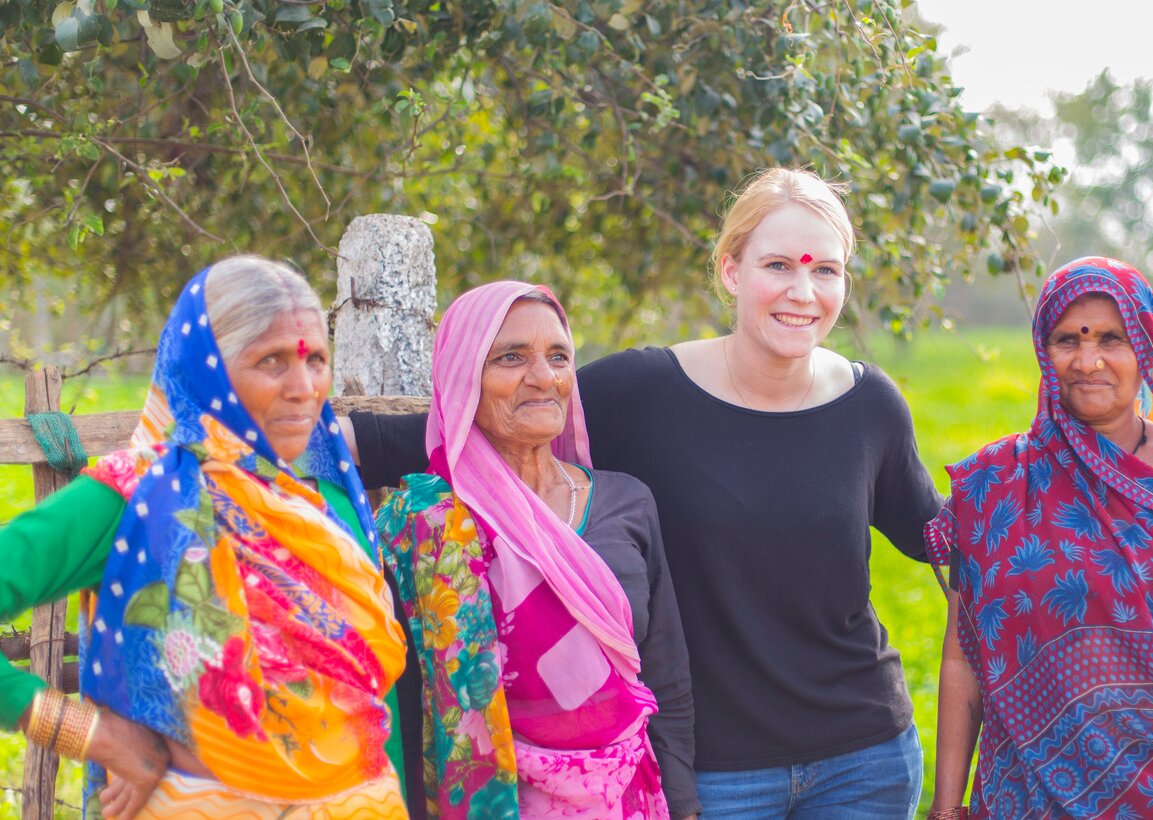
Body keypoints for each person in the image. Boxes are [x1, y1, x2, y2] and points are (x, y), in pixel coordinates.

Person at [346, 167, 941, 817]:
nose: (803, 291)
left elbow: (952, 545)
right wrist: (292, 428)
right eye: (778, 265)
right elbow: (473, 415)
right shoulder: (647, 390)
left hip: (864, 761)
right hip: (716, 774)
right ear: (731, 270)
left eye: (826, 270)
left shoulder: (870, 405)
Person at [0, 256, 410, 819]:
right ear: (207, 369)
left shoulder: (324, 504)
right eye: (272, 361)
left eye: (315, 360)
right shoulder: (134, 495)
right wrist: (94, 736)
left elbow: (364, 707)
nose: (303, 388)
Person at [374, 281, 695, 818]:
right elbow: (405, 707)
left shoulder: (627, 500)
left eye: (558, 356)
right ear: (462, 380)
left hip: (629, 799)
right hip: (497, 803)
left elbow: (666, 672)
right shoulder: (424, 528)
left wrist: (683, 806)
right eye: (511, 357)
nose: (544, 378)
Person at [925, 256, 1153, 818]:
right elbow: (961, 657)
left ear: (1145, 347)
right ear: (1043, 351)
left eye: (1111, 338)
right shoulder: (994, 485)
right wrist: (946, 807)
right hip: (1026, 797)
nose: (1088, 360)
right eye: (1066, 339)